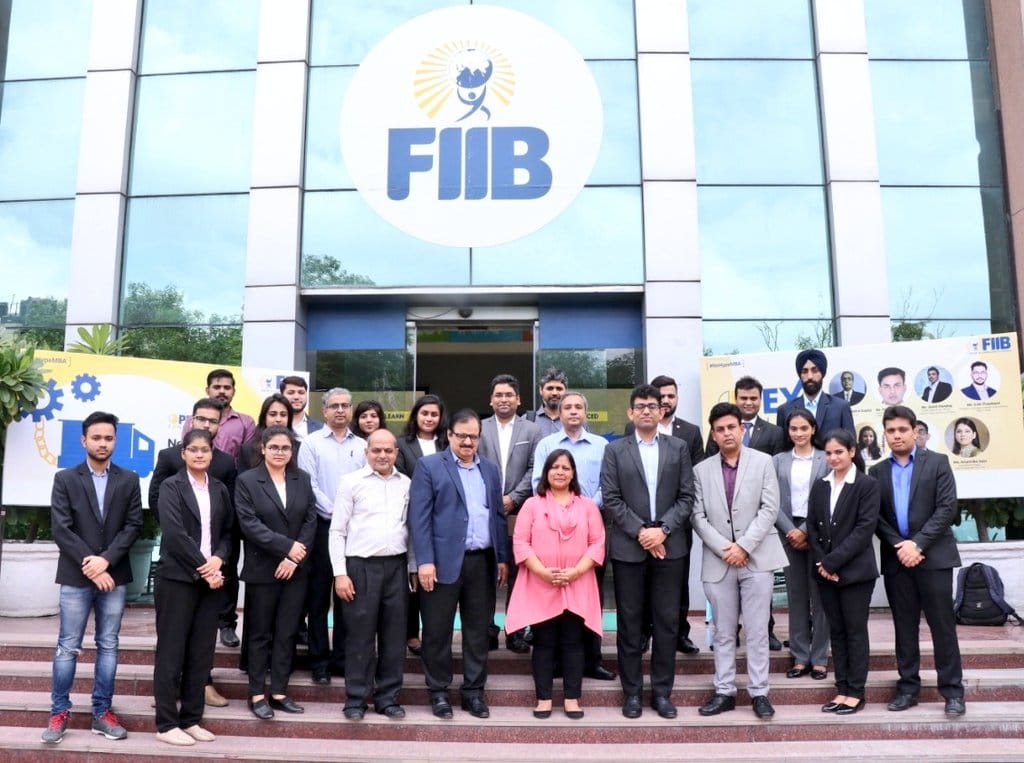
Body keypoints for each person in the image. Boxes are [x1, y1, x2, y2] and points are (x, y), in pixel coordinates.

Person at [42, 412, 143, 745]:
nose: (103, 443)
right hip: (76, 575)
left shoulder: (129, 480)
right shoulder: (65, 479)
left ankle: (102, 712)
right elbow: (61, 528)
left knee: (108, 645)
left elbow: (133, 526)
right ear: (84, 440)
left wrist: (105, 561)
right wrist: (92, 564)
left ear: (115, 441)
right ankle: (59, 712)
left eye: (109, 438)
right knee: (67, 646)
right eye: (97, 438)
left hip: (114, 576)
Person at [602, 384, 695, 720]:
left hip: (670, 547)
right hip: (630, 547)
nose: (646, 411)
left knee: (667, 623)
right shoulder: (615, 450)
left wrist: (662, 530)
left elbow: (687, 497)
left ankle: (661, 693)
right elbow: (611, 498)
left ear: (661, 411)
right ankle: (631, 694)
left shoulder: (678, 447)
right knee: (629, 623)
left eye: (652, 406)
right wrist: (642, 532)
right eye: (640, 406)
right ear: (630, 412)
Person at [409, 409, 509, 720]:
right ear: (449, 435)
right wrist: (424, 561)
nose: (468, 442)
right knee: (437, 631)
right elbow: (419, 518)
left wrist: (501, 558)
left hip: (482, 561)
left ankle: (473, 692)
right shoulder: (429, 466)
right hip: (440, 564)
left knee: (478, 631)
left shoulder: (490, 469)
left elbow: (497, 516)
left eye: (473, 437)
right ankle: (439, 692)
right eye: (462, 436)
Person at [692, 403, 787, 719]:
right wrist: (726, 549)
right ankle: (724, 691)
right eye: (720, 429)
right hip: (719, 562)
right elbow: (697, 516)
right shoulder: (700, 470)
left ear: (742, 429)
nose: (727, 433)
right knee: (723, 631)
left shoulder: (763, 462)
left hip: (756, 559)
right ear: (713, 434)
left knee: (758, 631)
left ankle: (759, 693)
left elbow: (769, 509)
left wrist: (744, 546)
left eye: (731, 427)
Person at [870, 405, 965, 717]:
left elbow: (946, 508)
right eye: (891, 431)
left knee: (942, 626)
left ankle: (952, 691)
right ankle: (908, 688)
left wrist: (918, 543)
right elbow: (876, 517)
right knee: (904, 627)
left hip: (933, 557)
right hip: (898, 559)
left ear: (915, 431)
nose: (897, 435)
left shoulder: (937, 462)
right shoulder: (877, 472)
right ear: (885, 435)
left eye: (902, 430)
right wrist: (901, 545)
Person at [149, 397, 239, 704]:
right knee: (172, 641)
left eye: (213, 421)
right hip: (179, 567)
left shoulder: (224, 470)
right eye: (201, 419)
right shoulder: (169, 466)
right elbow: (163, 513)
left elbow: (227, 524)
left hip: (212, 569)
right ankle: (167, 703)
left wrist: (218, 560)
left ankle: (197, 696)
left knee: (202, 643)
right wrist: (203, 565)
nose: (200, 454)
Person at [505, 449, 605, 720]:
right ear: (546, 472)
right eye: (555, 467)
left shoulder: (587, 506)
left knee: (573, 642)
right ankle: (544, 698)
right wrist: (542, 572)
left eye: (565, 468)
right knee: (544, 642)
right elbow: (521, 542)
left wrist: (575, 572)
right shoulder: (532, 505)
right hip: (541, 584)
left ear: (573, 474)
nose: (560, 472)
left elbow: (597, 543)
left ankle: (572, 698)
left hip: (577, 582)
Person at [532, 391, 616, 680]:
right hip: (552, 530)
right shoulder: (547, 445)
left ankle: (592, 660)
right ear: (560, 412)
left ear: (585, 412)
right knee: (555, 591)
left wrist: (585, 507)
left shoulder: (601, 445)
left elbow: (609, 484)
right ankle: (557, 662)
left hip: (591, 527)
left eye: (578, 406)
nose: (573, 411)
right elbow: (537, 483)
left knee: (591, 594)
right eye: (567, 407)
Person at [234, 426, 317, 721]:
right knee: (259, 633)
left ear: (292, 452)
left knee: (287, 632)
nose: (280, 452)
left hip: (295, 570)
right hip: (263, 569)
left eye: (285, 448)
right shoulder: (247, 480)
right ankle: (257, 693)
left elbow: (310, 520)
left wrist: (294, 558)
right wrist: (287, 547)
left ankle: (279, 691)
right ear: (263, 449)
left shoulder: (301, 479)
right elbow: (249, 524)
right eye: (274, 447)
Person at [330, 429, 414, 721]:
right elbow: (337, 531)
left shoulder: (406, 484)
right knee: (360, 636)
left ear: (396, 453)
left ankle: (388, 698)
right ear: (366, 452)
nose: (382, 455)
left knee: (394, 636)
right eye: (376, 450)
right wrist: (340, 574)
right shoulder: (351, 482)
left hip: (396, 567)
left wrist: (412, 568)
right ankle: (355, 699)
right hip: (360, 567)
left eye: (388, 450)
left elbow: (410, 529)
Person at [625, 374, 706, 655]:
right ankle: (645, 633)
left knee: (677, 585)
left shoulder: (690, 433)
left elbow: (692, 480)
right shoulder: (632, 429)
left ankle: (679, 633)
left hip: (676, 526)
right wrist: (645, 530)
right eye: (662, 396)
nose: (666, 400)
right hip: (638, 529)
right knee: (643, 586)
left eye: (670, 396)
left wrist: (665, 527)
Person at [708, 375, 786, 651]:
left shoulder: (774, 433)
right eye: (744, 398)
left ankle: (768, 631)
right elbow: (708, 477)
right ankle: (729, 635)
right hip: (724, 535)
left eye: (754, 398)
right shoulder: (718, 433)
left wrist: (747, 542)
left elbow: (774, 487)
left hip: (758, 532)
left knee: (761, 598)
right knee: (725, 609)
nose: (749, 402)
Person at [296, 387, 367, 684]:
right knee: (318, 598)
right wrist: (337, 513)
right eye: (334, 405)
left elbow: (366, 485)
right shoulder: (310, 444)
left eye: (345, 405)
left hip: (354, 531)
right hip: (322, 527)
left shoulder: (363, 445)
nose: (340, 410)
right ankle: (319, 661)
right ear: (324, 410)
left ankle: (341, 659)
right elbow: (308, 486)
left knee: (348, 596)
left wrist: (347, 517)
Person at [808, 428, 880, 716]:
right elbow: (812, 527)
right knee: (836, 632)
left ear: (852, 451)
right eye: (828, 453)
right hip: (826, 573)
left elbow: (864, 530)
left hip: (856, 573)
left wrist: (832, 563)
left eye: (839, 452)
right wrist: (822, 563)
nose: (833, 458)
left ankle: (856, 692)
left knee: (854, 632)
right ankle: (841, 689)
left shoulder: (867, 485)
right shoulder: (821, 485)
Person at [478, 374, 543, 654]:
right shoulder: (479, 428)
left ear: (519, 400)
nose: (503, 399)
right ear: (490, 400)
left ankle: (514, 631)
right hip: (484, 511)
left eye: (509, 395)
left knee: (518, 575)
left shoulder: (533, 430)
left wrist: (514, 497)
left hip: (520, 512)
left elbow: (535, 469)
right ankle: (486, 630)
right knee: (485, 574)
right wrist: (493, 499)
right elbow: (471, 463)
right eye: (499, 395)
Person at [773, 409, 829, 682]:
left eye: (803, 428)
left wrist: (805, 530)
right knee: (796, 597)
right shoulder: (778, 461)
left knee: (820, 597)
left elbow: (830, 497)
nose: (798, 433)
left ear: (813, 429)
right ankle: (799, 656)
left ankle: (819, 658)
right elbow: (770, 500)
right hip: (787, 532)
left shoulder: (825, 458)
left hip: (818, 531)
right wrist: (791, 531)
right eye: (793, 428)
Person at [395, 393, 447, 657]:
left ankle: (435, 633)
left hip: (443, 517)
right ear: (416, 415)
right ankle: (411, 634)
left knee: (437, 577)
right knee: (414, 574)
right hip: (412, 514)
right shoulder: (402, 444)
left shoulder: (447, 443)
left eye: (434, 414)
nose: (429, 418)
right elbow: (400, 477)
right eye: (424, 413)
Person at [776, 348, 855, 449]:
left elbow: (850, 445)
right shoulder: (785, 410)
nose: (810, 376)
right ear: (800, 375)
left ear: (822, 373)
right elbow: (782, 449)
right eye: (805, 371)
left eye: (815, 370)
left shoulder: (840, 407)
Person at [182, 369, 256, 459]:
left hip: (231, 468)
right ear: (207, 390)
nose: (222, 391)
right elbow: (186, 450)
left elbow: (247, 457)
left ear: (233, 392)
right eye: (217, 387)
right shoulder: (193, 420)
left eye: (227, 388)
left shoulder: (246, 422)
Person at [238, 393, 294, 470]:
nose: (278, 419)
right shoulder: (248, 450)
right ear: (264, 418)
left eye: (283, 415)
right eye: (273, 414)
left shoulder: (299, 448)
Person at [525, 367, 567, 436]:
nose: (554, 393)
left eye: (559, 389)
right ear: (541, 390)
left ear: (565, 391)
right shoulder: (526, 420)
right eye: (550, 388)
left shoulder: (575, 421)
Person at [279, 375, 323, 440]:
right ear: (281, 395)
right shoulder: (272, 424)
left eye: (301, 392)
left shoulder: (321, 428)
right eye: (291, 393)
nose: (296, 397)